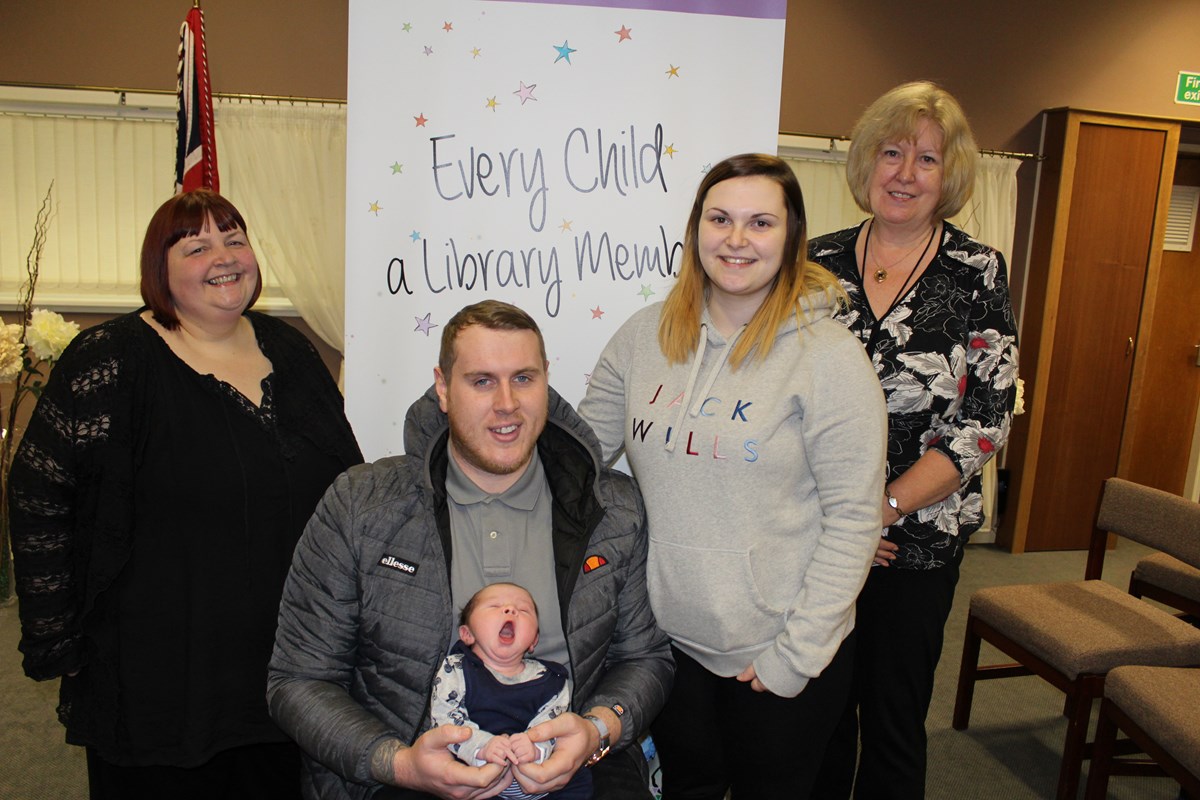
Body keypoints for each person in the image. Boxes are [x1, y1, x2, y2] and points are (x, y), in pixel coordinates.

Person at [7, 189, 364, 800]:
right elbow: (41, 491)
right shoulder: (112, 359)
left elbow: (345, 486)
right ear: (160, 271)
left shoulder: (291, 350)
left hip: (283, 658)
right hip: (157, 670)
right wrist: (52, 632)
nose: (223, 257)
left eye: (234, 239)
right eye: (196, 246)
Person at [267, 299, 672, 800]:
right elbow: (299, 679)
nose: (506, 403)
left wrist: (596, 729)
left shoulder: (613, 508)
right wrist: (397, 763)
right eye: (481, 381)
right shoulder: (359, 506)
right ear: (443, 387)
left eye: (523, 378)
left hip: (568, 769)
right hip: (407, 769)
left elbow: (645, 658)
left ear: (547, 379)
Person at [577, 153, 888, 799]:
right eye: (720, 219)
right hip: (670, 644)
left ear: (791, 239)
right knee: (687, 789)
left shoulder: (828, 356)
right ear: (695, 232)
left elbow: (854, 517)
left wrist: (795, 655)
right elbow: (579, 457)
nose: (737, 239)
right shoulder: (644, 338)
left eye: (760, 222)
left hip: (775, 650)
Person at [806, 81, 1019, 800]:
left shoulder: (978, 272)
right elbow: (779, 405)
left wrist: (884, 509)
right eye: (892, 152)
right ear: (866, 162)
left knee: (894, 723)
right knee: (818, 716)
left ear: (949, 176)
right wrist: (841, 519)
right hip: (817, 533)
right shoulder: (812, 263)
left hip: (919, 534)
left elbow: (985, 420)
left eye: (926, 159)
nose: (904, 173)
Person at [431, 582, 590, 800]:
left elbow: (553, 724)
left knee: (582, 781)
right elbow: (445, 718)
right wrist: (482, 746)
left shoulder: (551, 679)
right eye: (494, 606)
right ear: (467, 634)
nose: (510, 609)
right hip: (475, 783)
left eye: (523, 610)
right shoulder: (456, 669)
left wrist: (535, 748)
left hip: (542, 782)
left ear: (533, 640)